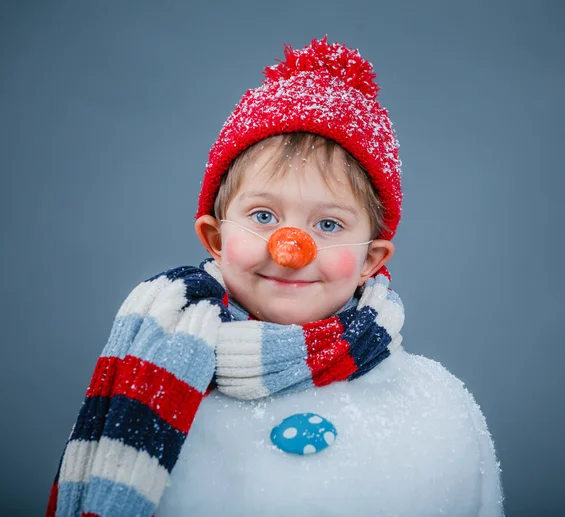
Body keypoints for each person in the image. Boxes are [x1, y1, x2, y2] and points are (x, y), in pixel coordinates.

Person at [47, 36, 504, 517]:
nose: (290, 251)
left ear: (372, 258)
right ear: (216, 237)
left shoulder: (436, 409)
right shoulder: (151, 373)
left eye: (328, 225)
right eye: (263, 216)